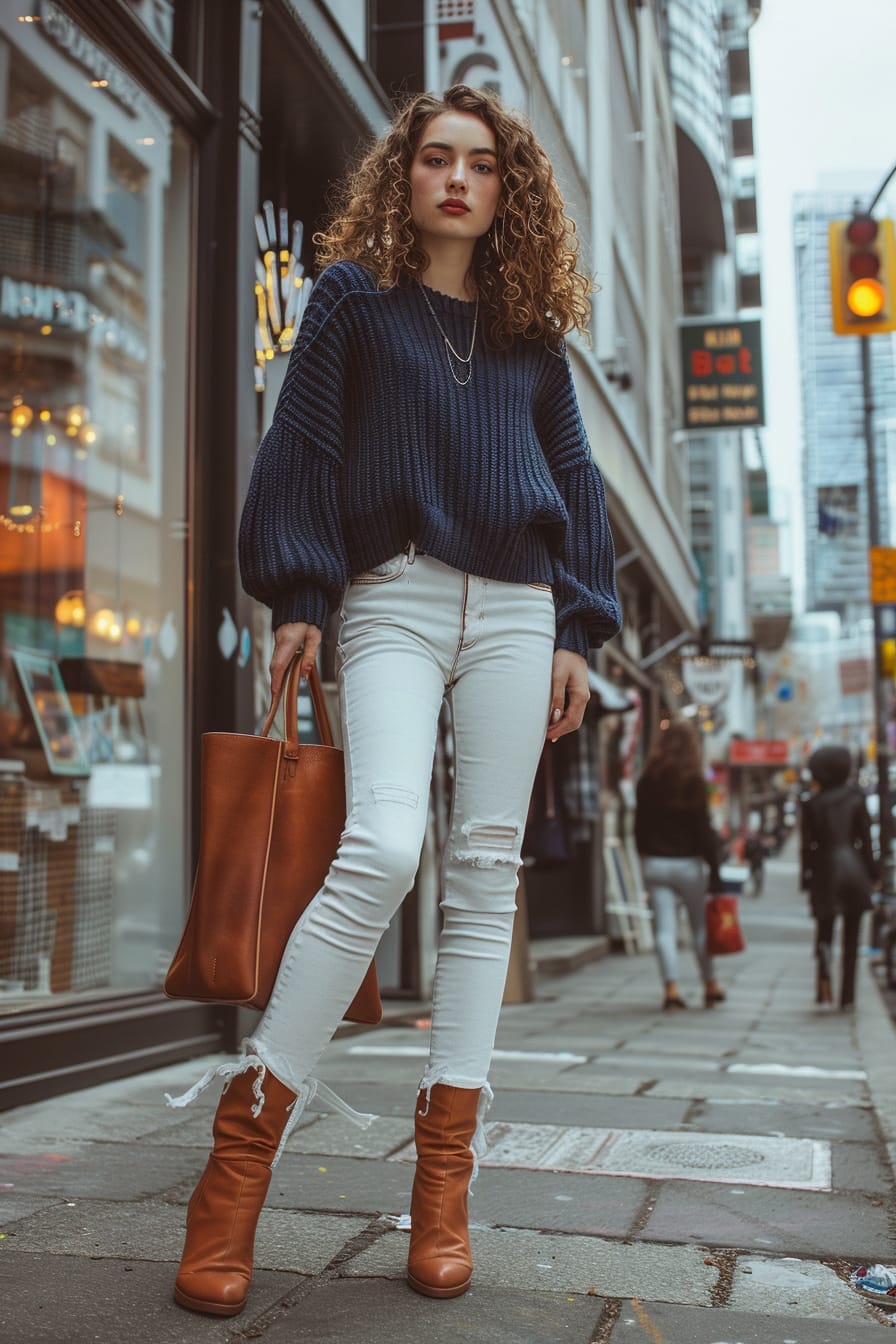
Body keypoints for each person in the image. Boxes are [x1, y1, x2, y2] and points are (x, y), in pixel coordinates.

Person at [164, 83, 620, 1316]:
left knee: (483, 871)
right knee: (380, 845)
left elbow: (573, 483)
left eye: (479, 162)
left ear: (504, 188)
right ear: (403, 176)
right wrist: (299, 595)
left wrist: (580, 621)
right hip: (395, 599)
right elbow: (300, 453)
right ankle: (238, 1163)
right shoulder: (350, 303)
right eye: (435, 159)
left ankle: (441, 1192)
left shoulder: (529, 333)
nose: (457, 179)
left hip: (520, 609)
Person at [634, 720, 725, 1010]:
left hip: (656, 863)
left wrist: (644, 855)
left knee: (664, 929)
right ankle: (710, 984)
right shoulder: (694, 781)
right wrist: (716, 870)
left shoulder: (647, 778)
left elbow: (639, 825)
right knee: (700, 928)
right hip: (689, 865)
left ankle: (671, 989)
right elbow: (704, 828)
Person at [801, 744, 879, 1009]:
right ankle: (848, 996)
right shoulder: (856, 799)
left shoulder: (812, 803)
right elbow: (867, 841)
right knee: (852, 934)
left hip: (824, 869)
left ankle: (823, 975)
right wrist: (873, 873)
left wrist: (806, 877)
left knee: (825, 927)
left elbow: (807, 846)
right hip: (854, 868)